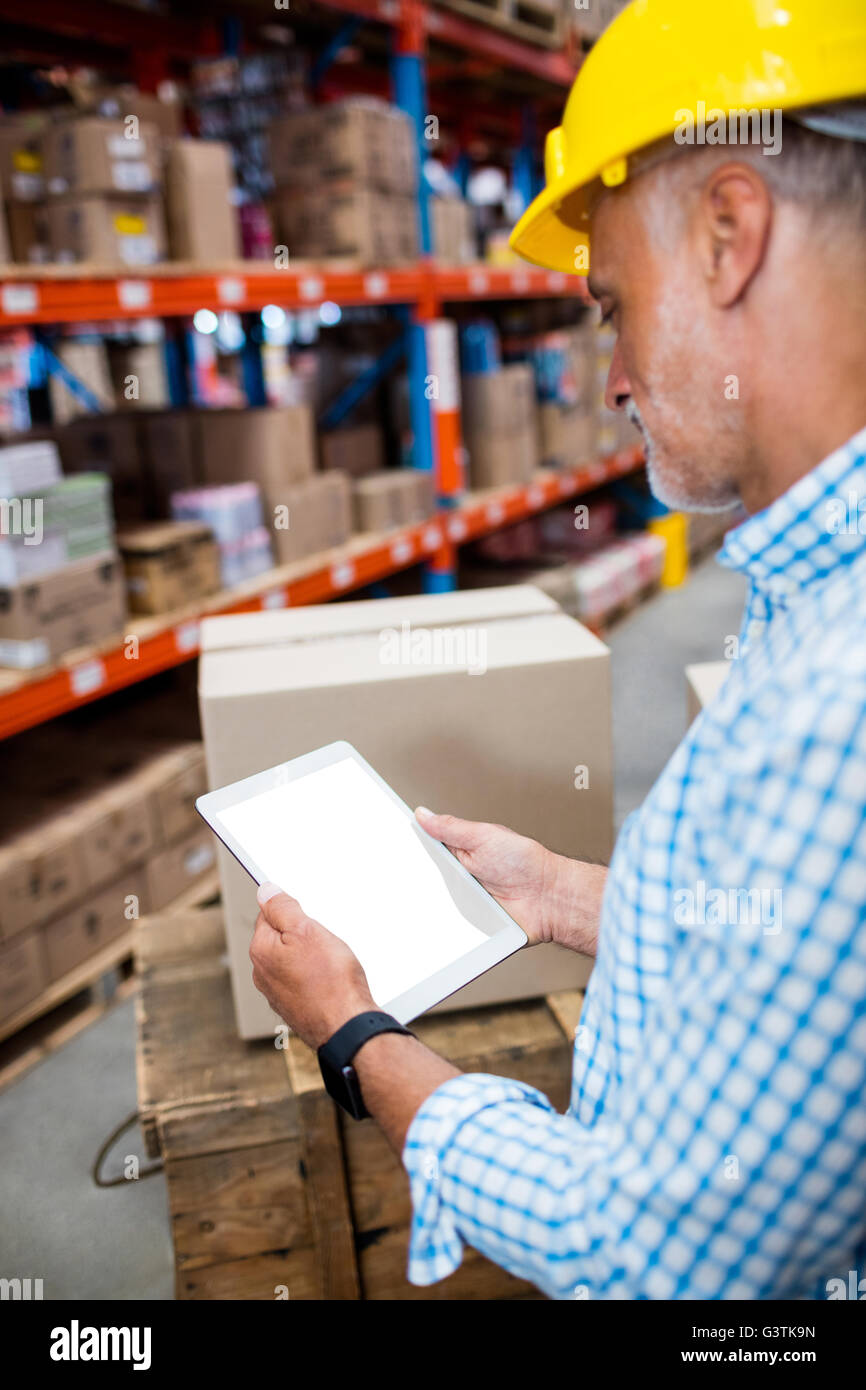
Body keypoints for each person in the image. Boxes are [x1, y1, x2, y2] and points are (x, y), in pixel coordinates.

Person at [250, 0, 866, 1299]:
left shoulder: (837, 703)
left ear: (727, 236)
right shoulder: (817, 588)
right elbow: (819, 961)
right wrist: (573, 895)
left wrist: (359, 1036)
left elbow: (649, 1257)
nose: (609, 379)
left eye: (612, 307)